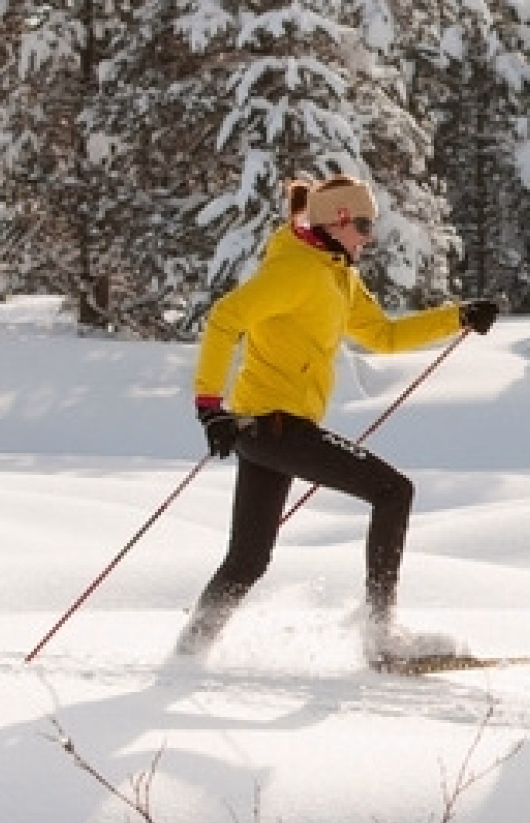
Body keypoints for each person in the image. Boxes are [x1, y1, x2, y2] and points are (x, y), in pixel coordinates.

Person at [173, 174, 502, 668]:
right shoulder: (295, 271)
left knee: (248, 559)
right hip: (274, 426)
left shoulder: (337, 276)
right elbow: (225, 318)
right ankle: (381, 636)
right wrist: (209, 407)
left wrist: (457, 317)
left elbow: (384, 336)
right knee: (393, 492)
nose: (369, 237)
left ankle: (189, 652)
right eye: (363, 225)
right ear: (337, 220)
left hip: (268, 431)